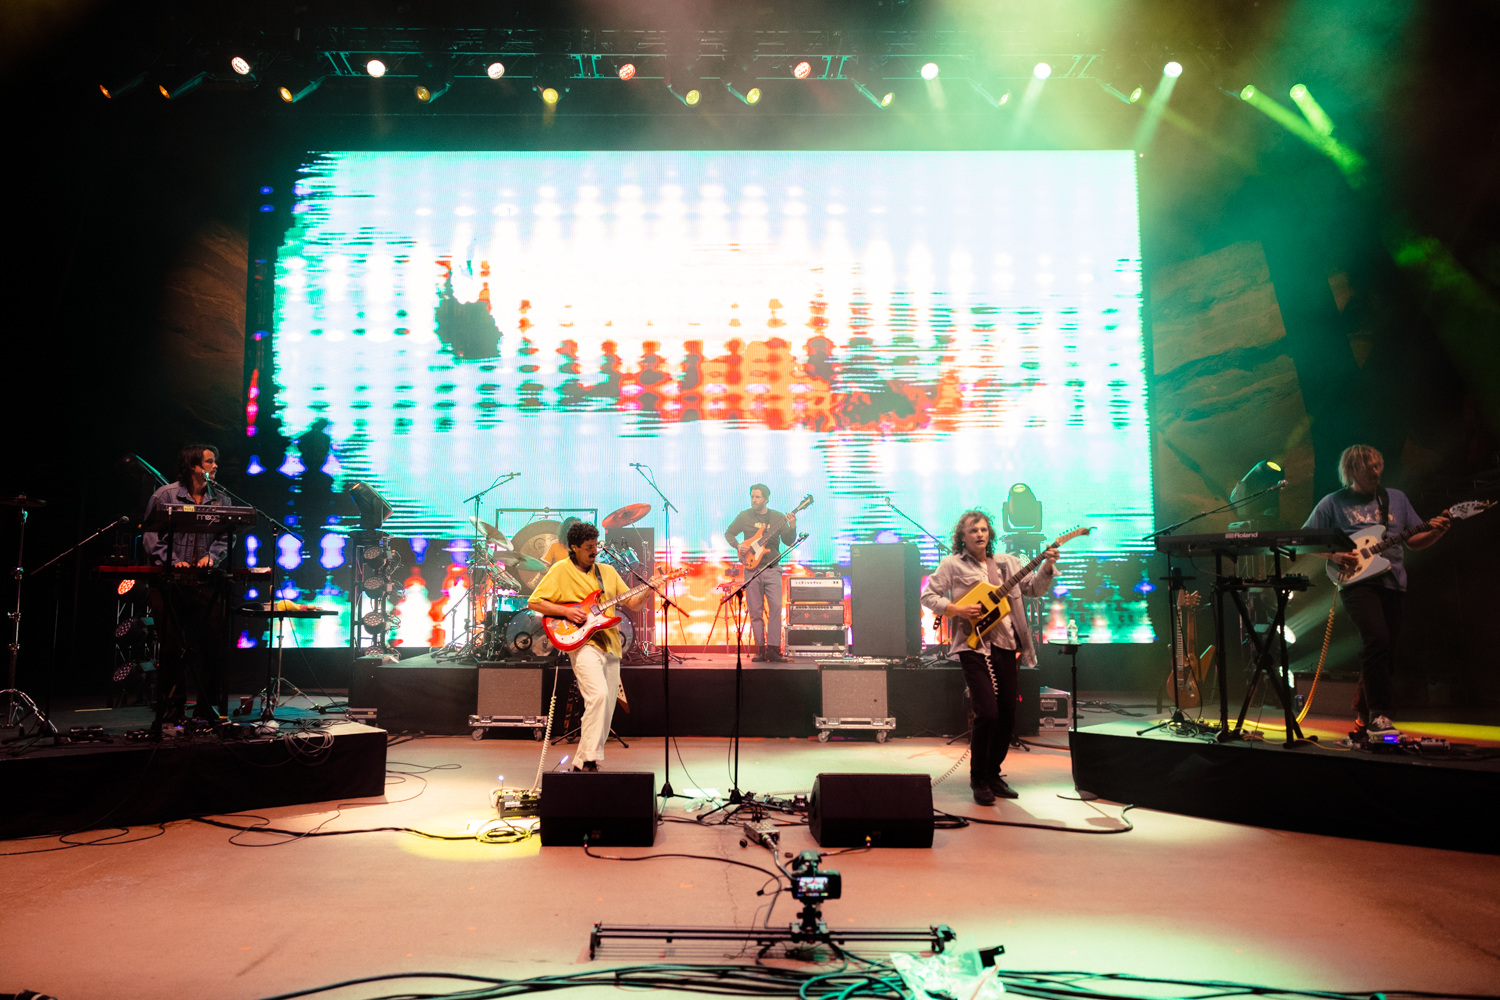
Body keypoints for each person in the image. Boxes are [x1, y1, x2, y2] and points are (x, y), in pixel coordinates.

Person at [1303, 445, 1449, 739]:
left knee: (1385, 650)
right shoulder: (1332, 503)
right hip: (1357, 583)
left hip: (1394, 581)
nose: (1376, 471)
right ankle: (1380, 714)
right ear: (1352, 470)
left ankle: (1361, 714)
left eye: (1378, 466)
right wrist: (1333, 556)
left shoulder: (1395, 498)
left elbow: (1414, 540)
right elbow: (1306, 540)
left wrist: (1437, 530)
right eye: (1368, 467)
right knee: (1377, 639)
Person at [921, 509, 1058, 806]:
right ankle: (977, 778)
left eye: (984, 529)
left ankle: (993, 774)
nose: (980, 534)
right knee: (988, 712)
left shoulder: (1008, 563)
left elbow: (1033, 589)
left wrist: (1047, 567)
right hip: (973, 646)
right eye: (973, 530)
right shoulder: (951, 565)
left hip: (1007, 644)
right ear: (963, 537)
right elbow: (929, 596)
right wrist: (956, 609)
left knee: (1008, 713)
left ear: (990, 533)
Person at [528, 521, 661, 770]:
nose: (594, 551)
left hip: (610, 643)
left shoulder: (607, 572)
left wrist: (649, 589)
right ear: (574, 547)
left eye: (595, 546)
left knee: (607, 705)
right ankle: (588, 760)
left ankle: (584, 761)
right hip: (583, 643)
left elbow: (632, 604)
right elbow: (535, 602)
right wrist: (565, 612)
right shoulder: (560, 570)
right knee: (598, 696)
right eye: (588, 547)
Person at [141, 444, 231, 730]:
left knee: (214, 646)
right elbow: (151, 535)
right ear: (194, 466)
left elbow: (228, 536)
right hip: (169, 584)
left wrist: (212, 556)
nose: (215, 466)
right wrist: (172, 560)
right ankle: (172, 709)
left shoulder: (222, 500)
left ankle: (205, 709)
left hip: (205, 582)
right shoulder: (165, 495)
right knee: (171, 648)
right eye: (210, 461)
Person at [723, 484, 798, 661]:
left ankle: (774, 649)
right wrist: (738, 545)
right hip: (752, 570)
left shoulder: (778, 517)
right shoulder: (744, 516)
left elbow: (788, 541)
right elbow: (729, 533)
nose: (753, 500)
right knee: (755, 611)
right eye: (752, 497)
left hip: (772, 568)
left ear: (766, 498)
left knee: (775, 609)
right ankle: (761, 649)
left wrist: (792, 525)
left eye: (757, 497)